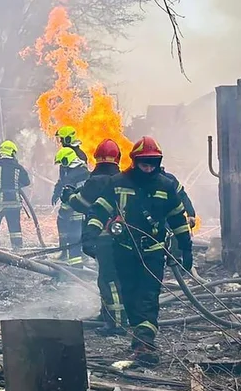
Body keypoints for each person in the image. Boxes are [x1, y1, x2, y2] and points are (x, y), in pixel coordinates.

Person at [83, 136, 193, 365]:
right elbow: (99, 210)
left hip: (153, 252)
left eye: (153, 162)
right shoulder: (118, 182)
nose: (149, 167)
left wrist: (186, 246)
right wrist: (90, 234)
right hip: (123, 251)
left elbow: (177, 218)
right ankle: (139, 340)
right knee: (130, 298)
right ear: (134, 160)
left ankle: (145, 344)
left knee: (148, 298)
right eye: (144, 162)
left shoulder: (165, 186)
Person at [62, 139, 127, 335]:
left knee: (109, 279)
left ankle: (116, 324)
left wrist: (69, 196)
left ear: (96, 158)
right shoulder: (123, 179)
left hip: (103, 236)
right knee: (112, 277)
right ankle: (106, 314)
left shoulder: (96, 180)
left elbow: (82, 203)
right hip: (123, 237)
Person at [52, 146, 90, 267]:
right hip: (83, 211)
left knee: (73, 238)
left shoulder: (73, 175)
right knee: (77, 238)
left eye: (62, 162)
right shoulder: (82, 171)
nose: (62, 166)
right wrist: (56, 193)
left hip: (75, 212)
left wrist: (63, 212)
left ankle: (76, 267)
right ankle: (72, 256)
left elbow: (68, 197)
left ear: (67, 160)